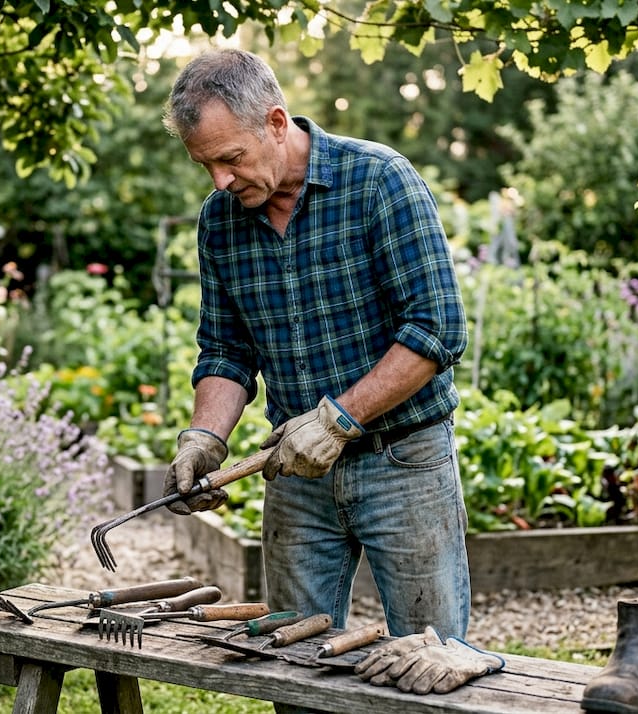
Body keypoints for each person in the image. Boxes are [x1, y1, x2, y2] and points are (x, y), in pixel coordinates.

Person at [161, 47, 470, 666]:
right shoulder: (220, 222)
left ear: (276, 123)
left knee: (429, 662)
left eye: (230, 159)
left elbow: (436, 331)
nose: (220, 181)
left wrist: (339, 420)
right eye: (206, 166)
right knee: (293, 665)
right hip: (297, 477)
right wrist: (203, 437)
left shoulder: (379, 180)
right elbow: (225, 350)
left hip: (403, 463)